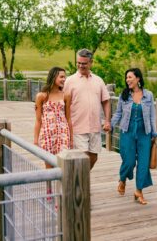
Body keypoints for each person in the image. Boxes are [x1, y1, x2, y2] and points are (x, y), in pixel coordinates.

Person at [111, 68, 157, 205]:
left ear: (138, 79)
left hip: (144, 133)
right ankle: (122, 179)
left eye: (130, 77)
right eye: (126, 78)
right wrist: (111, 125)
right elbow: (118, 113)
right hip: (127, 131)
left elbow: (152, 116)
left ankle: (139, 191)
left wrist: (154, 133)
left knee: (143, 163)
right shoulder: (124, 95)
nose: (127, 80)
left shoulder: (148, 95)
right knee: (129, 161)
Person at [63, 48, 111, 170]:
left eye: (84, 63)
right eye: (78, 63)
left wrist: (107, 120)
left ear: (91, 63)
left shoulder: (99, 80)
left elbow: (106, 101)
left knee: (93, 157)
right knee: (82, 157)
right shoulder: (69, 81)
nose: (80, 66)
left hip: (95, 127)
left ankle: (80, 179)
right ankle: (78, 184)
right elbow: (63, 104)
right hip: (77, 126)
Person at [34, 67, 73, 200]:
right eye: (61, 76)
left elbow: (68, 118)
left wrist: (71, 138)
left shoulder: (66, 95)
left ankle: (59, 195)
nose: (64, 79)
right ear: (53, 77)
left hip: (63, 133)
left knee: (61, 165)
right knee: (49, 164)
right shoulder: (42, 96)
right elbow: (38, 120)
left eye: (64, 77)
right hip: (47, 134)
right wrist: (35, 140)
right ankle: (49, 188)